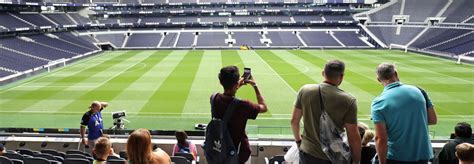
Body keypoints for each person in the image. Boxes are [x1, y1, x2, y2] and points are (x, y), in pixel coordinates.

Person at [290, 60, 361, 164]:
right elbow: (353, 136)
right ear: (341, 76)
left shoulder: (305, 90)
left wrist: (298, 142)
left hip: (307, 153)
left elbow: (294, 121)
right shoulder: (348, 100)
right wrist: (356, 161)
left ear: (323, 73)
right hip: (334, 156)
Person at [371, 62, 437, 164]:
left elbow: (380, 138)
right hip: (423, 155)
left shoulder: (378, 102)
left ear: (378, 80)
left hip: (396, 157)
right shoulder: (419, 91)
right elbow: (432, 120)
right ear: (396, 73)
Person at [212, 65, 268, 164]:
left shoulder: (213, 98)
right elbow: (264, 107)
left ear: (221, 82)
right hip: (238, 154)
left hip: (218, 150)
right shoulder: (244, 105)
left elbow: (226, 98)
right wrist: (255, 86)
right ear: (236, 84)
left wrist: (237, 85)